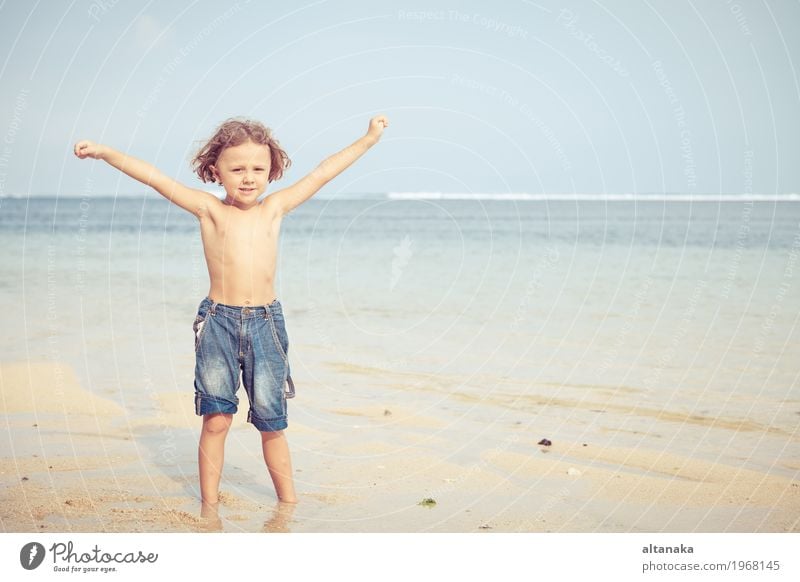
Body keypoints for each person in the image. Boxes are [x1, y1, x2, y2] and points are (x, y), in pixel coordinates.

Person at [73, 115, 389, 507]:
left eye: (258, 168)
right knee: (216, 418)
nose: (248, 177)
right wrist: (105, 153)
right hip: (218, 322)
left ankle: (288, 505)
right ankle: (209, 506)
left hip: (266, 324)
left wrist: (369, 139)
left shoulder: (274, 209)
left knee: (272, 421)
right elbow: (154, 177)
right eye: (236, 169)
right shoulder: (209, 210)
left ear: (272, 171)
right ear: (214, 171)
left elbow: (323, 173)